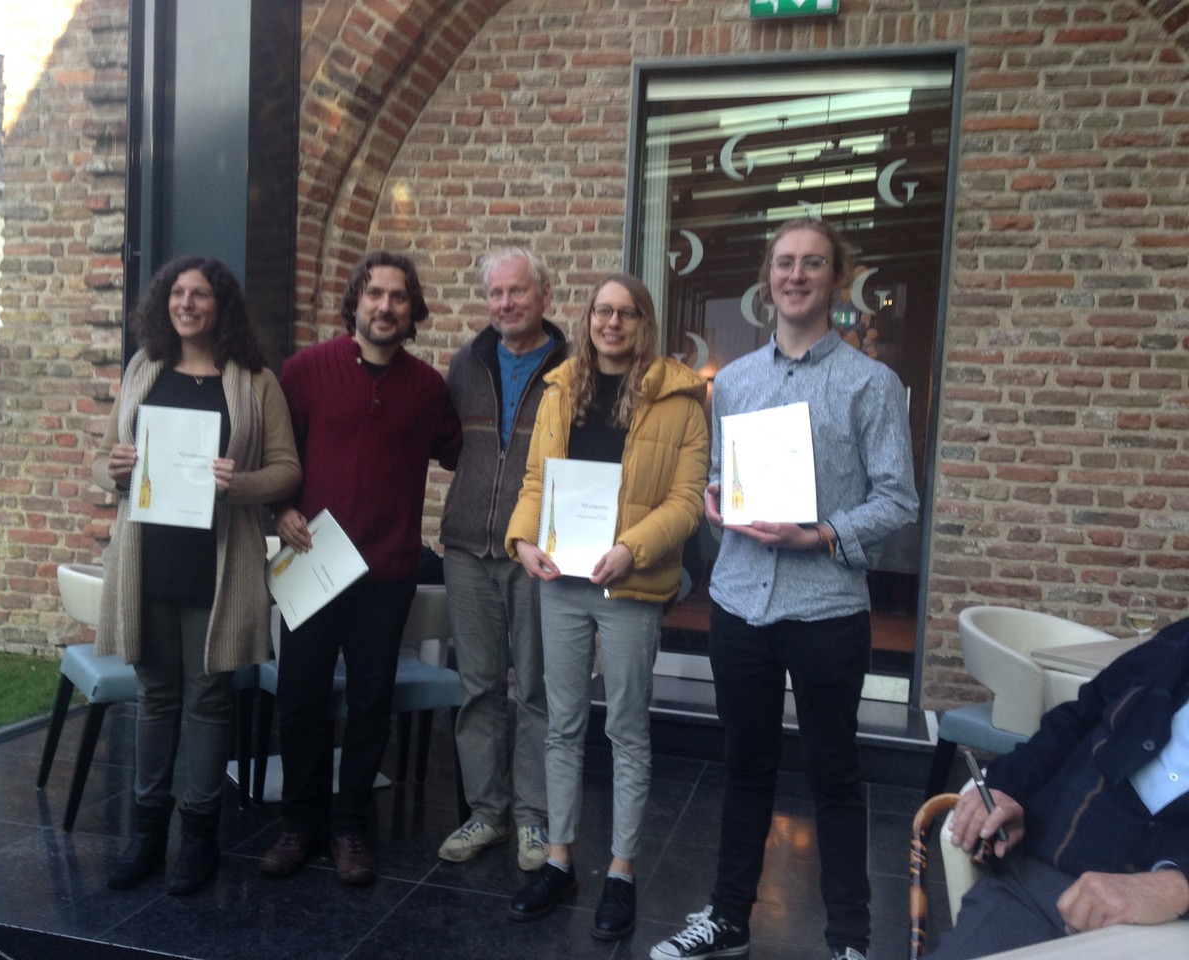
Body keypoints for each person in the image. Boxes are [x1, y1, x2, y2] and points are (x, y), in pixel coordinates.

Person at [652, 218, 919, 960]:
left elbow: (899, 499)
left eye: (812, 264)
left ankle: (850, 940)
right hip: (740, 601)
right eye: (784, 263)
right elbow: (722, 474)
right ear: (767, 279)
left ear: (838, 279)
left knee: (834, 773)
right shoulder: (734, 381)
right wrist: (715, 496)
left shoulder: (871, 383)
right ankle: (729, 919)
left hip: (826, 607)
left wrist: (822, 533)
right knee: (744, 766)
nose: (796, 275)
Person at [504, 273, 709, 939]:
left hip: (630, 584)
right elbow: (536, 480)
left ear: (643, 322)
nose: (611, 323)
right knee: (561, 724)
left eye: (625, 313)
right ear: (588, 319)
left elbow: (687, 501)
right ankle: (559, 859)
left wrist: (631, 549)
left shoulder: (680, 399)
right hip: (562, 582)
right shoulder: (561, 389)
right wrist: (522, 539)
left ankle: (621, 870)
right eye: (601, 311)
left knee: (625, 729)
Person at [93, 255, 301, 895]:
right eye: (178, 293)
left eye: (201, 294)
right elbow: (106, 462)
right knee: (156, 697)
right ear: (165, 302)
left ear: (222, 305)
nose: (187, 303)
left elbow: (287, 470)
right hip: (148, 559)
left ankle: (200, 838)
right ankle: (147, 835)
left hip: (219, 562)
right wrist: (115, 468)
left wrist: (240, 485)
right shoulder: (142, 369)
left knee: (209, 701)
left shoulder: (255, 381)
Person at [259, 250, 462, 885]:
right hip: (312, 561)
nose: (385, 306)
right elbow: (275, 453)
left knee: (371, 704)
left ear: (412, 309)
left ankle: (350, 828)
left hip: (387, 570)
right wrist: (279, 509)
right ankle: (300, 824)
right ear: (356, 301)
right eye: (375, 294)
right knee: (301, 698)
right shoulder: (304, 372)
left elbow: (466, 453)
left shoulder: (428, 389)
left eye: (398, 297)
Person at [929, 617, 1189, 958]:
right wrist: (1010, 785)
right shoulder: (1177, 644)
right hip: (1044, 887)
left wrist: (1177, 886)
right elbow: (1077, 718)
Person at [437, 247, 567, 872]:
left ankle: (533, 819)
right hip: (467, 546)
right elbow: (447, 444)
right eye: (496, 293)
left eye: (517, 291)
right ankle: (487, 812)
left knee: (536, 688)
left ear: (544, 295)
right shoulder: (465, 364)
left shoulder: (572, 368)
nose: (506, 303)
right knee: (478, 687)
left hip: (538, 550)